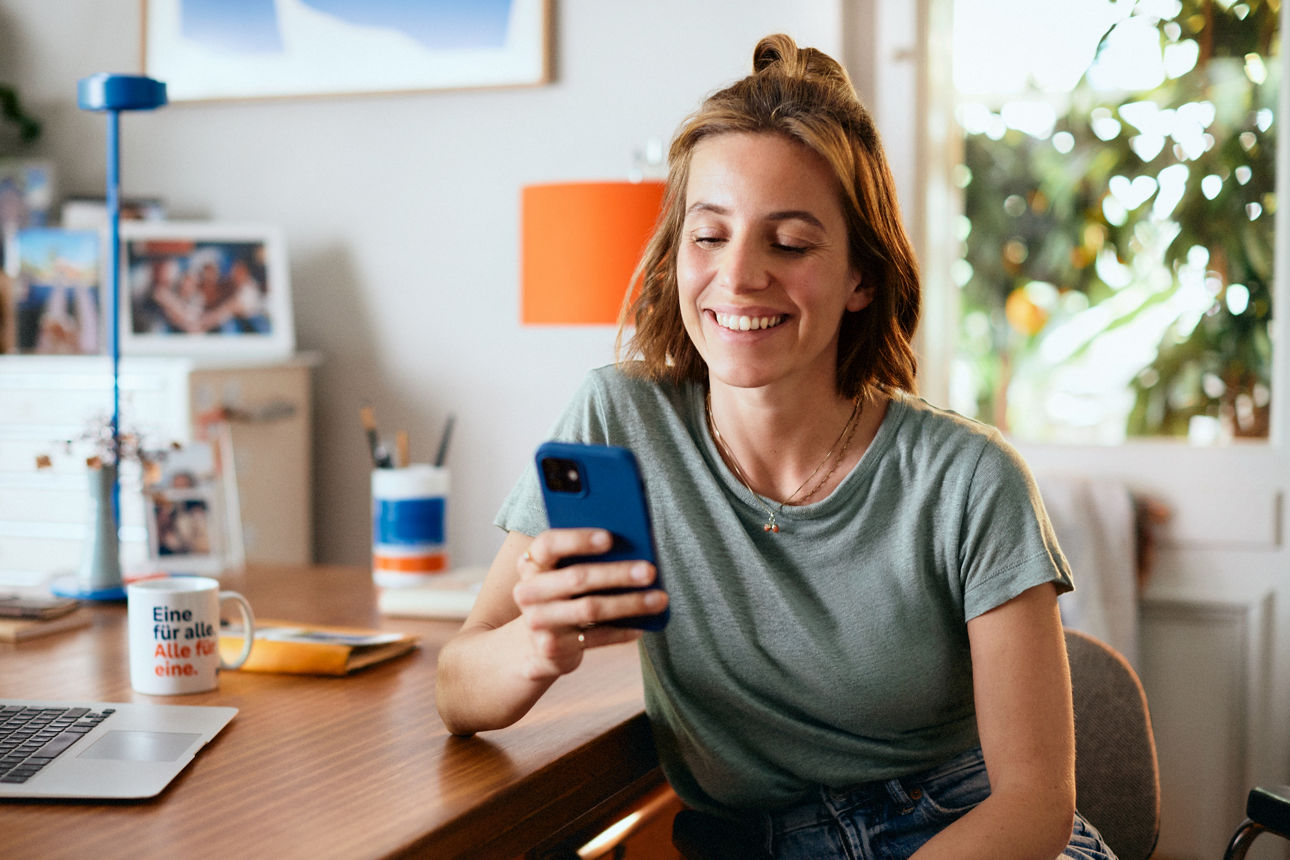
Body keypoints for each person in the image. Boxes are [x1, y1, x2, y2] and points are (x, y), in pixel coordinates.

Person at [436, 34, 1114, 859]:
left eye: (789, 243)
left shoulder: (969, 479)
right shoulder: (619, 419)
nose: (739, 275)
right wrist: (537, 646)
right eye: (708, 235)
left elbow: (1036, 803)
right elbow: (457, 685)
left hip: (963, 834)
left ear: (863, 277)